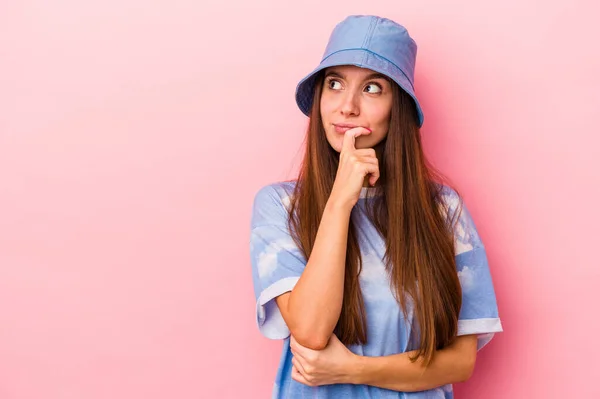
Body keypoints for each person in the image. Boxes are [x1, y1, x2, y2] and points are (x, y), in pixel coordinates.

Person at [249, 14, 503, 398]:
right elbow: (311, 330)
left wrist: (351, 369)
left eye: (371, 88)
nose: (347, 107)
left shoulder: (442, 211)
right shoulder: (281, 206)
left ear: (396, 107)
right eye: (334, 84)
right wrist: (340, 201)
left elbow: (460, 360)